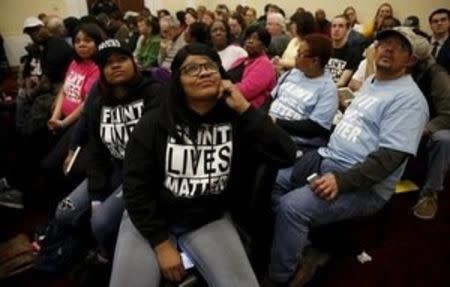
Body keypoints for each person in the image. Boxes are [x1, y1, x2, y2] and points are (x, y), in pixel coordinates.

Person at [109, 43, 296, 287]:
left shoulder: (237, 120)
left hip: (207, 219)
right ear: (178, 81)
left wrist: (245, 108)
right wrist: (160, 243)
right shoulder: (154, 122)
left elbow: (286, 155)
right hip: (151, 219)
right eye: (192, 69)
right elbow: (135, 187)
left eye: (210, 66)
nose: (204, 72)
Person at [264, 27, 429, 287]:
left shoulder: (409, 100)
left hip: (363, 184)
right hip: (327, 158)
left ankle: (282, 277)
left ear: (411, 60)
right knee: (269, 182)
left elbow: (389, 159)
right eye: (384, 42)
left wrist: (341, 181)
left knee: (291, 208)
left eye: (399, 47)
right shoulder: (375, 82)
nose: (387, 48)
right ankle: (305, 245)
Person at [52, 39, 162, 267]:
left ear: (133, 61)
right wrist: (96, 195)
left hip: (145, 175)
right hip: (113, 166)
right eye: (107, 63)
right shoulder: (99, 102)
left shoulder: (154, 93)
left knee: (101, 223)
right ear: (101, 70)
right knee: (64, 211)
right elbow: (97, 151)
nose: (115, 66)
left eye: (121, 59)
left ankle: (106, 256)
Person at [268, 34, 337, 150]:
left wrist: (276, 122)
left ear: (315, 61)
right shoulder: (292, 73)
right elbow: (270, 98)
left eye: (300, 54)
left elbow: (315, 127)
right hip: (270, 129)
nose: (295, 57)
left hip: (294, 143)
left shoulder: (328, 89)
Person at [229, 24, 276, 108]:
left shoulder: (265, 65)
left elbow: (245, 92)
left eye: (255, 39)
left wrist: (223, 87)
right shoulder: (241, 60)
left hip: (245, 110)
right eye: (248, 38)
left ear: (264, 46)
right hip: (229, 101)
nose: (249, 41)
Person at [326, 15, 362, 87]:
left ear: (348, 30)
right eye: (334, 26)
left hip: (338, 91)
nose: (336, 29)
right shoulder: (324, 48)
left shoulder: (353, 52)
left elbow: (342, 82)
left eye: (341, 26)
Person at [428, 8, 450, 74]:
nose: (439, 23)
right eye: (435, 21)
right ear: (431, 25)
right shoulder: (423, 42)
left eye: (443, 20)